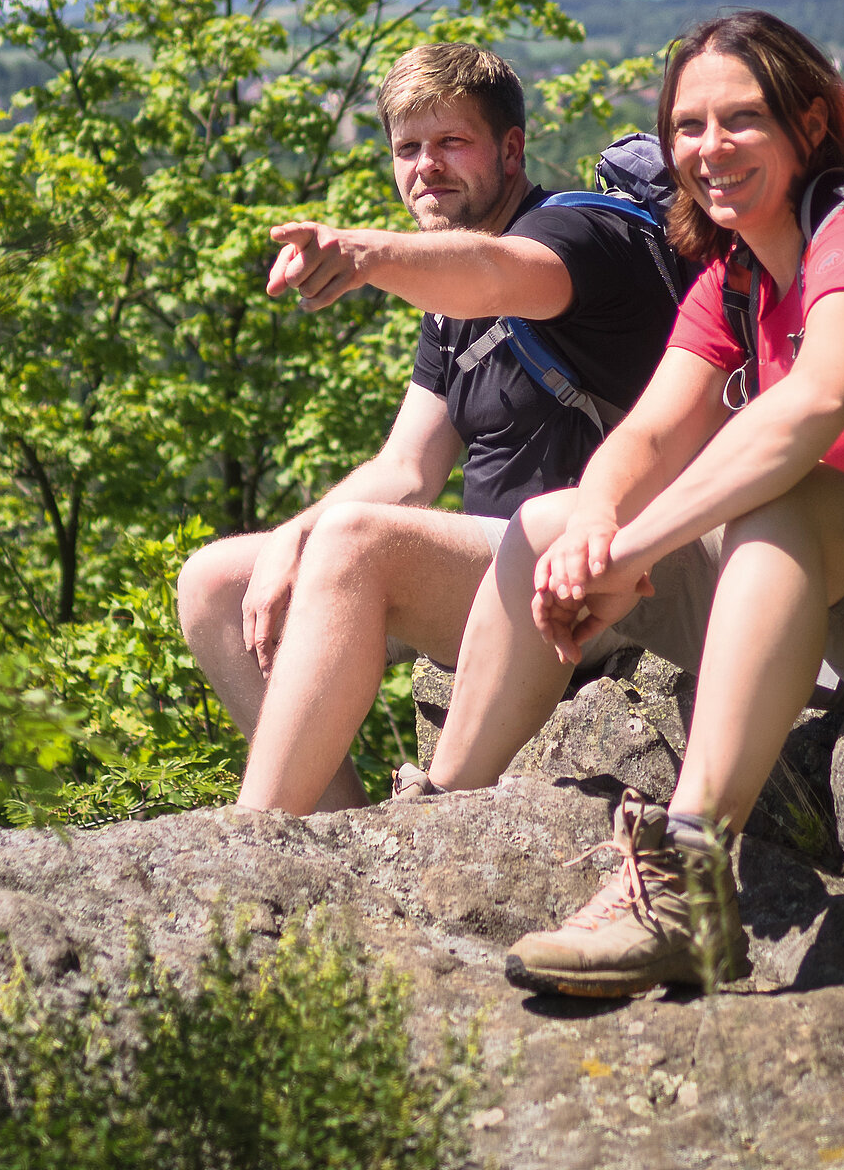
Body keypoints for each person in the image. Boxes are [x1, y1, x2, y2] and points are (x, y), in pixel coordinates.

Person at [421, 10, 844, 997]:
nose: (708, 148)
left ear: (810, 126)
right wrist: (598, 526)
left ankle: (688, 884)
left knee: (785, 497)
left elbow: (808, 411)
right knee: (548, 522)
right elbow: (646, 435)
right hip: (841, 617)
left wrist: (634, 550)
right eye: (688, 126)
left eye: (742, 121)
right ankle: (441, 814)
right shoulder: (734, 279)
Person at [177, 41, 702, 814]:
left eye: (453, 142)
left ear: (512, 148)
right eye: (408, 148)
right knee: (216, 581)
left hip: (605, 575)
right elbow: (406, 469)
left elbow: (498, 273)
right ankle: (325, 834)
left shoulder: (581, 240)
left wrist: (364, 254)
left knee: (359, 542)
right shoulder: (444, 307)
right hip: (498, 573)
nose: (427, 166)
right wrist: (294, 533)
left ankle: (256, 841)